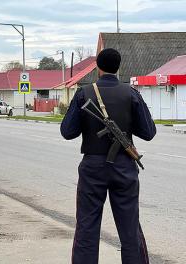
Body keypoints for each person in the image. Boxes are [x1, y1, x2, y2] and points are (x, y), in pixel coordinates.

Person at [60, 48, 156, 264]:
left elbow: (67, 132)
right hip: (124, 167)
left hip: (93, 166)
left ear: (98, 68)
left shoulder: (84, 93)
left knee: (87, 227)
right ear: (118, 67)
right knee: (130, 229)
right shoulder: (131, 93)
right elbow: (148, 132)